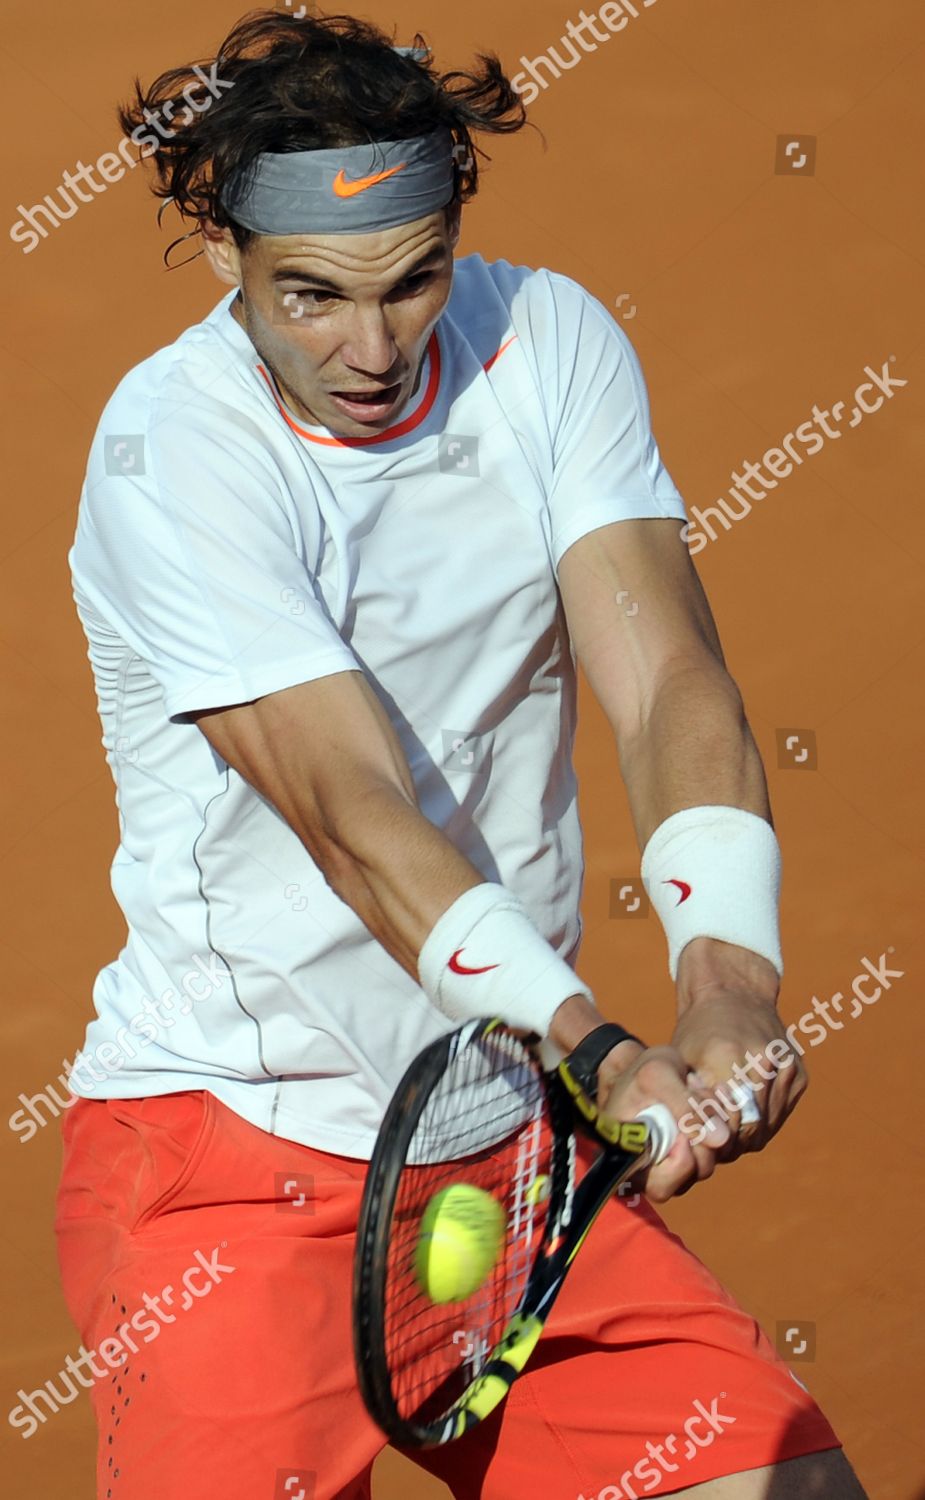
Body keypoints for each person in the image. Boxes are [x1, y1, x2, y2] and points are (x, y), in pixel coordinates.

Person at [55, 10, 867, 1499]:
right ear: (229, 252)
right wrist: (599, 1045)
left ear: (456, 238)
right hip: (239, 1165)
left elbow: (664, 673)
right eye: (309, 296)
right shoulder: (173, 456)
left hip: (504, 1150)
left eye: (412, 282)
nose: (369, 349)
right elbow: (353, 812)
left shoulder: (542, 339)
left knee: (774, 1485)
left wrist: (726, 983)